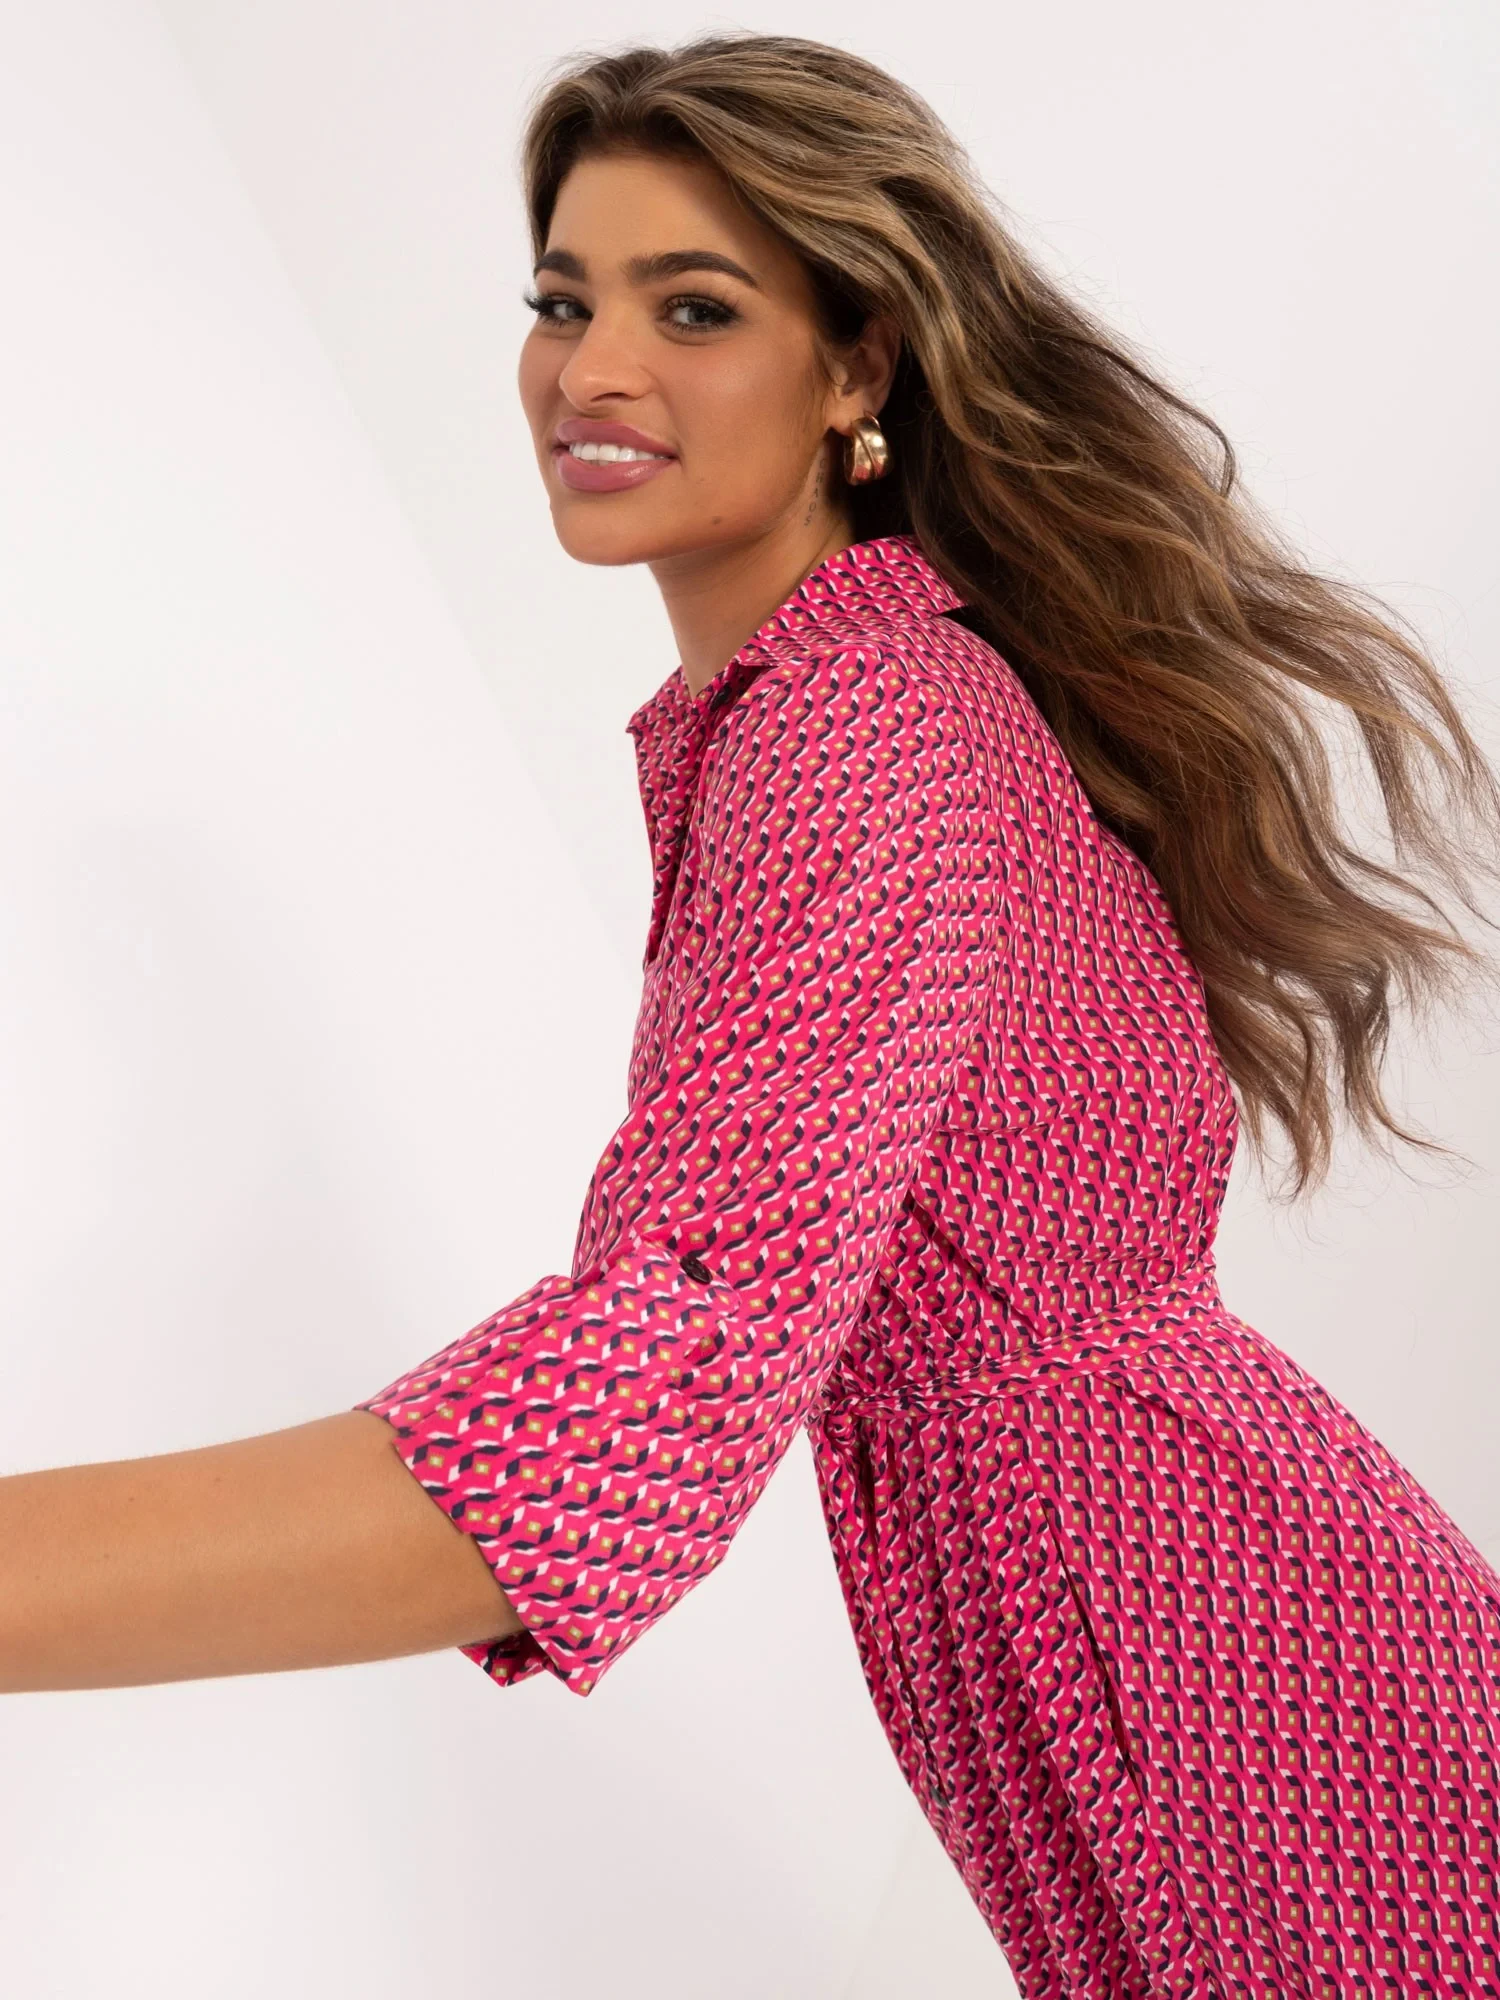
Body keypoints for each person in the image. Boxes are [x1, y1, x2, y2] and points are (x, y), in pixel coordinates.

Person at [4, 28, 1500, 1997]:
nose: (590, 369)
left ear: (858, 366)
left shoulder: (863, 724)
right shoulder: (848, 701)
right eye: (563, 302)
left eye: (691, 307)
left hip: (1217, 1666)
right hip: (1191, 1628)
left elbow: (662, 1374)